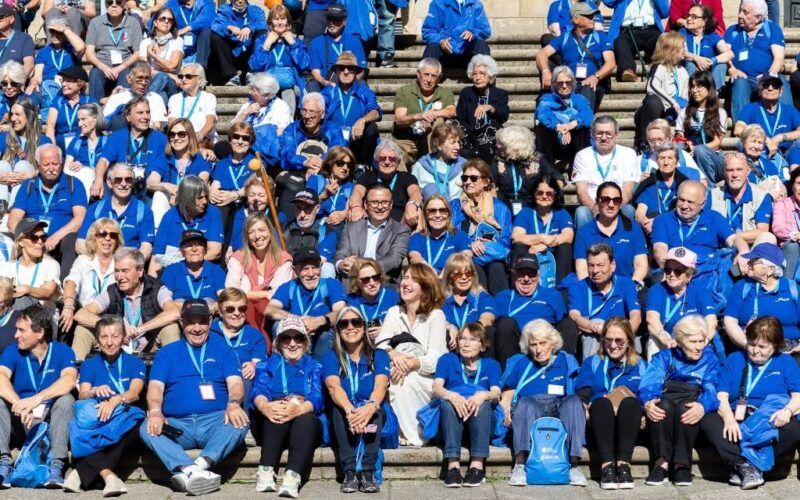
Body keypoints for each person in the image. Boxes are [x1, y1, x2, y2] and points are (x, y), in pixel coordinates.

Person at [139, 299, 249, 496]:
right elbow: (155, 387)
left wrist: (233, 404)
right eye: (191, 322)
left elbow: (235, 383)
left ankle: (196, 467)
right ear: (182, 323)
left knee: (240, 421)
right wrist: (155, 411)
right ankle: (190, 469)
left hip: (215, 422)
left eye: (202, 322)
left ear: (210, 322)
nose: (197, 328)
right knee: (146, 427)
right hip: (178, 425)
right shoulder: (167, 353)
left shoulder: (224, 350)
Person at [700, 316, 800, 490]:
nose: (755, 351)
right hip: (737, 418)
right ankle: (743, 465)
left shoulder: (786, 362)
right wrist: (728, 418)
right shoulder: (735, 359)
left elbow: (798, 396)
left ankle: (749, 467)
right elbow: (721, 395)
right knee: (709, 420)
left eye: (762, 347)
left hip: (769, 419)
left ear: (775, 345)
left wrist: (787, 411)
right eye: (752, 344)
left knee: (793, 430)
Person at [65, 315, 145, 495]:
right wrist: (94, 391)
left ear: (123, 337)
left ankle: (80, 473)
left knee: (117, 431)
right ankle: (109, 476)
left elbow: (134, 393)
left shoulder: (135, 362)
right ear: (97, 339)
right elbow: (83, 394)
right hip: (97, 414)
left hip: (125, 412)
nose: (109, 342)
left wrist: (115, 400)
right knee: (77, 428)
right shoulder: (90, 364)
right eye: (104, 337)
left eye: (115, 336)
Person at [501, 319, 586, 487]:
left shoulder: (566, 360)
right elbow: (508, 392)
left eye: (543, 343)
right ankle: (520, 464)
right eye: (533, 344)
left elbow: (577, 389)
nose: (538, 349)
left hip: (559, 407)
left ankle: (574, 464)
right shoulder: (521, 362)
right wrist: (506, 410)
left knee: (574, 402)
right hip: (530, 407)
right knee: (525, 404)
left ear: (552, 343)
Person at [0, 304, 77, 489]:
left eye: (21, 330)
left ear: (40, 332)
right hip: (21, 420)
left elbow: (69, 380)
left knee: (66, 400)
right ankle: (3, 462)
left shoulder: (62, 350)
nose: (16, 335)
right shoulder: (12, 351)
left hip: (49, 423)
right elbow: (1, 377)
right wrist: (19, 403)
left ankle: (57, 464)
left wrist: (36, 399)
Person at [639, 314, 719, 487]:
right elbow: (651, 381)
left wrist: (703, 406)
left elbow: (712, 388)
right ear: (680, 341)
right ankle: (661, 462)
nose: (699, 347)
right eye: (693, 342)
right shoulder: (665, 356)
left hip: (691, 399)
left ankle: (682, 465)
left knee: (687, 408)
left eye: (701, 341)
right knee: (660, 406)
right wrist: (649, 401)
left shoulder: (709, 359)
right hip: (667, 397)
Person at [250, 316, 323, 497]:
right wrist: (265, 406)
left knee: (306, 420)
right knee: (276, 411)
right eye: (286, 338)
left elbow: (316, 397)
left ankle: (293, 476)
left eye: (297, 338)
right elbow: (259, 389)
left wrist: (298, 409)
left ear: (305, 342)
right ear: (278, 342)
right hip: (273, 423)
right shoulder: (266, 364)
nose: (292, 343)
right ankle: (266, 469)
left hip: (302, 422)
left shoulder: (314, 366)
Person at [376, 264, 447, 446]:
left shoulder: (436, 315)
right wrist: (393, 354)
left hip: (426, 376)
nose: (406, 283)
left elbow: (436, 358)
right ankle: (400, 431)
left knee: (407, 380)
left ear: (425, 286)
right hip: (396, 370)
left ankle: (416, 436)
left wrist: (410, 364)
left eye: (413, 280)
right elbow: (380, 344)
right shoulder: (394, 312)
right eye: (405, 278)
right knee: (394, 378)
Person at [72, 247, 181, 361]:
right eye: (117, 271)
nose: (119, 277)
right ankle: (74, 369)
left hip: (149, 344)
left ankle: (174, 369)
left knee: (171, 328)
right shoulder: (112, 291)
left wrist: (141, 329)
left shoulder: (156, 288)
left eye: (125, 271)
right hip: (117, 344)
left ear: (140, 271)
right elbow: (80, 315)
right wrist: (118, 328)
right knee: (82, 330)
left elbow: (174, 313)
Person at [323, 307, 388, 493]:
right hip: (346, 419)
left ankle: (368, 472)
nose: (350, 327)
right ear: (338, 330)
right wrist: (350, 411)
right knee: (336, 409)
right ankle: (350, 472)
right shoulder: (331, 356)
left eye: (356, 322)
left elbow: (380, 387)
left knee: (376, 411)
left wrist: (368, 408)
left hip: (372, 419)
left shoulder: (379, 355)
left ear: (364, 327)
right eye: (344, 324)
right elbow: (333, 387)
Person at [575, 317, 644, 490]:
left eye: (619, 340)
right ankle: (607, 467)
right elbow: (583, 392)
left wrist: (645, 412)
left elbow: (648, 393)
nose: (613, 345)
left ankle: (623, 466)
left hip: (630, 423)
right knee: (601, 403)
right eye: (608, 340)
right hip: (599, 421)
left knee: (631, 402)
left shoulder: (641, 365)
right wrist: (584, 407)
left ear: (629, 341)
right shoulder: (592, 362)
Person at [434, 322, 501, 487]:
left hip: (481, 424)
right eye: (462, 339)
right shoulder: (447, 360)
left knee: (483, 403)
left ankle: (477, 466)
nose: (466, 343)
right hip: (452, 423)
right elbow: (436, 388)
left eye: (472, 340)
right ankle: (453, 467)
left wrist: (483, 395)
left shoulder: (491, 364)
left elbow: (496, 394)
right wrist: (450, 395)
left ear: (482, 346)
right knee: (448, 403)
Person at [7, 144, 85, 280]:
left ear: (62, 163)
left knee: (71, 240)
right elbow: (13, 219)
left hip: (61, 239)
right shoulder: (28, 185)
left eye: (55, 164)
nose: (51, 169)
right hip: (32, 237)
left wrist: (55, 237)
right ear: (38, 164)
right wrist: (27, 238)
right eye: (46, 164)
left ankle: (65, 285)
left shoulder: (74, 184)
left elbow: (80, 219)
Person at [267, 247, 347, 359]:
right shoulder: (288, 287)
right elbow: (270, 310)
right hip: (296, 337)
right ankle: (285, 366)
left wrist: (319, 321)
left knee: (326, 334)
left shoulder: (331, 284)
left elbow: (341, 312)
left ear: (320, 268)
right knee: (277, 326)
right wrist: (296, 321)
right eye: (305, 269)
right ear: (296, 270)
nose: (311, 273)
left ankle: (322, 368)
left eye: (315, 267)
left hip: (320, 338)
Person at [651, 180, 748, 272]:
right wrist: (672, 271)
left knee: (737, 268)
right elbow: (660, 249)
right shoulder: (662, 220)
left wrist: (743, 251)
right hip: (677, 271)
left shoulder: (713, 217)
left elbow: (733, 239)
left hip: (708, 270)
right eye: (681, 200)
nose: (684, 206)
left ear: (703, 204)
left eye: (690, 202)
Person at [536, 2, 615, 112]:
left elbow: (611, 62)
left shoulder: (600, 36)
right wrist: (545, 71)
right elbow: (541, 54)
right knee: (544, 101)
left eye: (593, 16)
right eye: (588, 16)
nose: (593, 19)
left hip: (592, 84)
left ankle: (581, 121)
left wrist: (595, 77)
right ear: (576, 19)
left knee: (587, 90)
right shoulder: (565, 37)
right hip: (569, 84)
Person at [568, 243, 642, 360]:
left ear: (612, 265)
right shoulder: (579, 286)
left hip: (621, 337)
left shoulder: (626, 284)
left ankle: (631, 368)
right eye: (591, 265)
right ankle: (592, 368)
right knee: (594, 328)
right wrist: (595, 327)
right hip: (595, 337)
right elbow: (574, 315)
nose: (595, 270)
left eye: (600, 265)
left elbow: (636, 316)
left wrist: (618, 333)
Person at [725, 242, 800, 353]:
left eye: (754, 260)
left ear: (771, 270)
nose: (748, 263)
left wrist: (797, 349)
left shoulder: (793, 289)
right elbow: (730, 321)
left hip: (788, 348)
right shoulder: (742, 286)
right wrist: (748, 345)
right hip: (750, 346)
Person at [451, 159, 512, 294]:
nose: (468, 182)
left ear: (485, 182)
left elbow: (506, 240)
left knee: (497, 268)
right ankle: (481, 305)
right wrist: (470, 245)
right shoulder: (455, 206)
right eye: (464, 178)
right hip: (466, 257)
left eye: (473, 178)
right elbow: (451, 234)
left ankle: (503, 306)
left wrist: (487, 244)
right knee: (474, 270)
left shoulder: (500, 207)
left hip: (493, 255)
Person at [493, 254, 567, 366]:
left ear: (538, 274)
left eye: (531, 273)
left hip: (544, 346)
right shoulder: (502, 297)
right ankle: (509, 372)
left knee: (568, 324)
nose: (526, 279)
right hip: (514, 347)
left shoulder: (552, 295)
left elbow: (562, 323)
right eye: (521, 273)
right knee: (506, 324)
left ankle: (560, 368)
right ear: (513, 274)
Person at [226, 212, 293, 335]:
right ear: (246, 237)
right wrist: (265, 293)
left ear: (270, 232)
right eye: (251, 232)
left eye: (262, 230)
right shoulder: (238, 258)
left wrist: (249, 292)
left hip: (272, 312)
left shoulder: (283, 259)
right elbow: (232, 292)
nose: (257, 236)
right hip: (244, 312)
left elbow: (278, 294)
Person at [646, 247, 719, 359]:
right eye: (668, 270)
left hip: (694, 340)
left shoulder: (700, 291)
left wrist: (702, 342)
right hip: (666, 339)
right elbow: (652, 320)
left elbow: (711, 321)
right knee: (653, 341)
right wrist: (666, 339)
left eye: (678, 271)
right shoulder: (656, 290)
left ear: (689, 274)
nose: (671, 274)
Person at [724, 0, 789, 123]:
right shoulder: (732, 31)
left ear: (758, 17)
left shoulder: (772, 29)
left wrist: (767, 77)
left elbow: (779, 58)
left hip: (766, 75)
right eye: (740, 11)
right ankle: (742, 126)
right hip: (744, 78)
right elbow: (725, 53)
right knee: (740, 81)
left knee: (779, 81)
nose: (740, 15)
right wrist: (732, 69)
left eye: (745, 12)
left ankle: (786, 123)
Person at [94, 96, 168, 199]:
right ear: (128, 116)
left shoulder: (160, 139)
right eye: (140, 113)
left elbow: (160, 168)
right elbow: (104, 161)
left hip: (148, 192)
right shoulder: (117, 137)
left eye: (147, 112)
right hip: (122, 187)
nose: (146, 116)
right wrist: (98, 180)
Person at [572, 115, 639, 229]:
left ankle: (626, 239)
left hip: (618, 205)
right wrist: (596, 207)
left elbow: (627, 192)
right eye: (599, 133)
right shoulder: (582, 155)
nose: (603, 138)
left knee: (629, 209)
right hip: (593, 206)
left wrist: (612, 207)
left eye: (608, 133)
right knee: (581, 212)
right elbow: (582, 192)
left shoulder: (628, 154)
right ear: (592, 135)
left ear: (616, 135)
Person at [574, 181, 648, 285]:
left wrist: (630, 287)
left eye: (616, 200)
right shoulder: (584, 232)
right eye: (605, 200)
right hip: (595, 289)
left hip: (627, 287)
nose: (611, 205)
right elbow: (582, 270)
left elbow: (641, 265)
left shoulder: (634, 229)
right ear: (597, 201)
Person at [77, 163, 155, 260]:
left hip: (127, 265)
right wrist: (100, 261)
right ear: (110, 183)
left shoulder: (144, 211)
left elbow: (146, 249)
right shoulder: (95, 209)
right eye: (118, 180)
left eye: (128, 180)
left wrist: (127, 264)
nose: (123, 184)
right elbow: (80, 244)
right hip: (97, 261)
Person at [335, 183, 411, 281]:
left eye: (385, 202)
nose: (380, 207)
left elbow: (393, 259)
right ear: (365, 205)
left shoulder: (401, 230)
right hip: (353, 282)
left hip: (384, 281)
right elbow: (341, 253)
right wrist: (341, 264)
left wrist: (361, 266)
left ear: (391, 205)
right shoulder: (351, 227)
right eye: (374, 202)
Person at [391, 58, 456, 167]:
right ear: (418, 74)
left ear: (439, 77)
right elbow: (399, 120)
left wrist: (431, 116)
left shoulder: (445, 93)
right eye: (426, 74)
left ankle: (435, 166)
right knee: (392, 153)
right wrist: (419, 116)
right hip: (408, 141)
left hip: (432, 141)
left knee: (439, 121)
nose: (429, 80)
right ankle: (403, 178)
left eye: (433, 76)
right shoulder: (405, 91)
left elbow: (452, 111)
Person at [61, 218, 121, 335]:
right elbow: (71, 282)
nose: (107, 238)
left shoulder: (121, 264)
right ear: (94, 238)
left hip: (112, 319)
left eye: (113, 235)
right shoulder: (83, 261)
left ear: (117, 241)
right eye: (102, 234)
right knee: (73, 324)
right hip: (85, 318)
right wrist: (68, 306)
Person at [511, 172, 575, 282]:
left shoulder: (562, 213)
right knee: (519, 247)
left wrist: (545, 245)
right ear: (534, 193)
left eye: (549, 193)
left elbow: (568, 236)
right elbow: (516, 237)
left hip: (553, 257)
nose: (544, 196)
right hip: (531, 255)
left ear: (555, 195)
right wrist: (542, 238)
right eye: (540, 193)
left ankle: (561, 288)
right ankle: (520, 284)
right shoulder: (525, 212)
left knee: (565, 247)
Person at [147, 119, 212, 226]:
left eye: (181, 134)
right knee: (159, 195)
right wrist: (167, 186)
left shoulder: (200, 160)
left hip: (192, 205)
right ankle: (157, 232)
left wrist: (180, 195)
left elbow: (201, 184)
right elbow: (150, 182)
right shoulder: (164, 158)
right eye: (172, 135)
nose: (176, 138)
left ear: (190, 136)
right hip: (169, 202)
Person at [151, 175, 224, 272]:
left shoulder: (212, 213)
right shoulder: (170, 216)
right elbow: (156, 257)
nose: (205, 201)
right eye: (200, 198)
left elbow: (215, 252)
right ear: (187, 198)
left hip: (203, 271)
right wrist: (152, 280)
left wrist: (185, 260)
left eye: (206, 197)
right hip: (173, 273)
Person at [632, 32, 689, 153]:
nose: (685, 50)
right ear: (672, 49)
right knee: (652, 101)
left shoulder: (682, 71)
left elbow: (685, 95)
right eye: (682, 47)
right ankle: (643, 143)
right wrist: (673, 103)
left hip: (674, 113)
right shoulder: (659, 67)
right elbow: (652, 86)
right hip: (657, 111)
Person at [319, 52, 380, 166]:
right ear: (336, 71)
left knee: (371, 128)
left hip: (356, 139)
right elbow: (318, 106)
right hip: (333, 140)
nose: (346, 72)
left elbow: (376, 112)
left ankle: (362, 166)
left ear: (356, 72)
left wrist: (362, 120)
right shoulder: (329, 92)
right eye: (341, 68)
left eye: (350, 68)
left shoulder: (363, 91)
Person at [248, 6, 309, 118]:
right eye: (276, 19)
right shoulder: (261, 40)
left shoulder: (296, 42)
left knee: (289, 94)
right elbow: (255, 66)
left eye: (283, 19)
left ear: (288, 23)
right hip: (267, 86)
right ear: (270, 23)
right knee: (268, 97)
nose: (280, 22)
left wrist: (293, 44)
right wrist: (266, 45)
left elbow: (304, 64)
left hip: (290, 85)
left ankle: (288, 122)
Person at [347, 140, 423, 227]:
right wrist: (356, 207)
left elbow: (415, 193)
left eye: (392, 159)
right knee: (351, 208)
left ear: (398, 162)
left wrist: (411, 204)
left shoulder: (407, 177)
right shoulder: (367, 176)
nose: (387, 162)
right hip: (370, 224)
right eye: (382, 158)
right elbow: (357, 192)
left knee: (417, 211)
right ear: (376, 161)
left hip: (400, 225)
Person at [534, 65, 592, 175]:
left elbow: (587, 114)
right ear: (554, 84)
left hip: (573, 144)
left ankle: (578, 170)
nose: (564, 86)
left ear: (573, 83)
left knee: (583, 127)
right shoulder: (546, 99)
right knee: (542, 127)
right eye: (560, 83)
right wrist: (559, 126)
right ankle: (549, 172)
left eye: (568, 82)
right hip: (554, 142)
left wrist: (571, 125)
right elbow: (543, 113)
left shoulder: (579, 99)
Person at [734, 75, 800, 168]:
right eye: (766, 85)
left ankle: (794, 173)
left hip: (785, 154)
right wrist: (764, 139)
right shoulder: (750, 108)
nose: (770, 88)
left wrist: (781, 137)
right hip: (759, 152)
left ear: (780, 92)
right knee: (741, 143)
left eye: (775, 86)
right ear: (759, 91)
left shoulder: (789, 110)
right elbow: (738, 129)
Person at [85, 0, 144, 102]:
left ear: (124, 4)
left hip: (124, 66)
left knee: (127, 74)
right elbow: (89, 52)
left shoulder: (133, 23)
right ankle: (95, 108)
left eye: (118, 2)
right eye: (109, 2)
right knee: (95, 73)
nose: (114, 5)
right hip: (102, 65)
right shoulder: (95, 22)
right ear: (105, 5)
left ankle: (122, 108)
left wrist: (119, 68)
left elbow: (137, 53)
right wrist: (103, 67)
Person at [210, 287, 266, 394]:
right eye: (230, 309)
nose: (237, 313)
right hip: (215, 378)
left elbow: (260, 363)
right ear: (220, 312)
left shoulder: (255, 336)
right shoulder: (210, 333)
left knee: (247, 378)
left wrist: (254, 365)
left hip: (243, 381)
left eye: (242, 309)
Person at [0, 218, 61, 317]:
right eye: (34, 238)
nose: (40, 242)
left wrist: (28, 289)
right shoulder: (7, 268)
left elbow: (48, 292)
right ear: (21, 241)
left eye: (43, 237)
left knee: (22, 300)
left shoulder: (51, 264)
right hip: (15, 317)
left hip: (43, 318)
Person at [454, 55, 509, 162]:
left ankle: (480, 155)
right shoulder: (466, 93)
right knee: (454, 123)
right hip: (470, 133)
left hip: (489, 134)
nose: (477, 77)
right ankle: (468, 154)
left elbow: (504, 115)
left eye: (482, 74)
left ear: (491, 77)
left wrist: (491, 108)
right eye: (474, 74)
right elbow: (460, 116)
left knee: (494, 125)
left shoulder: (500, 94)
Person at [709, 152, 772, 246]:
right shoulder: (712, 195)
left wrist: (730, 236)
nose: (735, 175)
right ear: (724, 172)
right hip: (718, 248)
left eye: (739, 169)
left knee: (768, 238)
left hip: (750, 248)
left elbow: (762, 232)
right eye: (730, 170)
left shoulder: (761, 196)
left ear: (748, 171)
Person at [675, 70, 728, 182]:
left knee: (701, 150)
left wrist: (696, 150)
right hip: (691, 156)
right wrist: (686, 144)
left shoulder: (720, 112)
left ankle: (708, 187)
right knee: (677, 148)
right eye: (692, 87)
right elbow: (679, 137)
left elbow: (717, 142)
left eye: (699, 86)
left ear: (709, 88)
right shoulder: (684, 112)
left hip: (714, 160)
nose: (694, 90)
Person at [279, 92, 347, 174]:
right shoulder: (292, 129)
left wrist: (317, 164)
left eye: (312, 112)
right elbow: (286, 156)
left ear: (322, 114)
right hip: (297, 174)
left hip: (324, 173)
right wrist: (305, 162)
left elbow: (337, 152)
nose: (307, 116)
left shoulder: (332, 130)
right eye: (304, 111)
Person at [306, 4, 367, 94]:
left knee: (362, 85)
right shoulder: (316, 42)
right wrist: (325, 83)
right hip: (325, 84)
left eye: (336, 19)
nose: (331, 23)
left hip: (349, 83)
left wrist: (348, 83)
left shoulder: (354, 41)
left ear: (344, 21)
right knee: (312, 85)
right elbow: (315, 71)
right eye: (329, 19)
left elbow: (361, 71)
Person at [633, 143, 692, 235]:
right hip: (653, 232)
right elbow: (639, 215)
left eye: (670, 158)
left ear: (676, 162)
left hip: (679, 230)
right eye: (662, 158)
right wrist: (649, 224)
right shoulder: (649, 184)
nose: (666, 162)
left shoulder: (686, 185)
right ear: (657, 161)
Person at [440, 253, 495, 349]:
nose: (464, 277)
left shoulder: (481, 296)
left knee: (489, 330)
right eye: (458, 274)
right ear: (449, 277)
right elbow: (433, 317)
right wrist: (449, 327)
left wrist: (468, 333)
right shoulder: (441, 298)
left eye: (468, 273)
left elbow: (488, 317)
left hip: (475, 346)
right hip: (450, 346)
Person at [606, 0, 669, 82]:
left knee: (662, 40)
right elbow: (608, 2)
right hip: (628, 30)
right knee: (620, 41)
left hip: (650, 29)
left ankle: (659, 69)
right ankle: (628, 70)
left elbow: (665, 13)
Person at [161, 230, 226, 308]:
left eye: (199, 245)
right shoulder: (171, 270)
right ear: (181, 251)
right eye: (189, 245)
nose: (194, 249)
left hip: (209, 313)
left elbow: (224, 299)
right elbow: (166, 300)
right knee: (179, 301)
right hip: (180, 313)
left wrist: (209, 308)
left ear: (205, 250)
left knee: (208, 300)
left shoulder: (216, 271)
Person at [408, 194, 472, 275]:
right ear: (426, 215)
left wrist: (446, 272)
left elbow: (467, 255)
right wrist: (432, 274)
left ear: (448, 214)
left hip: (451, 278)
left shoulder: (459, 235)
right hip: (425, 278)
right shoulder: (417, 237)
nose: (438, 215)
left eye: (442, 211)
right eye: (432, 211)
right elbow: (415, 257)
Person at [208, 0, 266, 86]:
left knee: (262, 32)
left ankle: (251, 73)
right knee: (215, 37)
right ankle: (232, 76)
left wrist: (250, 28)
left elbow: (262, 23)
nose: (240, 0)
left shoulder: (256, 10)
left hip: (249, 53)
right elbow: (216, 26)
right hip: (232, 53)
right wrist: (228, 28)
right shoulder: (224, 10)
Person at [282, 190, 338, 278]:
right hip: (291, 274)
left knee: (327, 268)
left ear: (317, 209)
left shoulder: (325, 230)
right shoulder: (285, 229)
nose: (302, 215)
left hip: (314, 274)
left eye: (307, 208)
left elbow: (320, 260)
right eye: (298, 208)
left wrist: (301, 272)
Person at [421, 0, 491, 67]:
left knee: (481, 44)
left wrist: (473, 32)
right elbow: (428, 31)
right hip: (445, 54)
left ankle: (483, 74)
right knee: (432, 46)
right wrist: (440, 40)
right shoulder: (438, 3)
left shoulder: (475, 4)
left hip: (467, 55)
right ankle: (427, 73)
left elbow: (485, 30)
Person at [101, 62, 168, 131]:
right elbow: (104, 123)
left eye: (147, 79)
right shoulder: (117, 98)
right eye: (139, 78)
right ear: (129, 78)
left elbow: (157, 126)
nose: (143, 83)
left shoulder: (155, 98)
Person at [678, 4, 731, 90]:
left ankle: (714, 92)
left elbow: (729, 54)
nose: (689, 19)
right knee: (690, 64)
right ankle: (691, 91)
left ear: (704, 21)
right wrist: (696, 58)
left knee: (721, 65)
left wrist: (712, 61)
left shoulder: (711, 35)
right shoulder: (682, 33)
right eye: (688, 15)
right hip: (688, 72)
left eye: (694, 17)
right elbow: (677, 50)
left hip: (707, 73)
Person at [490, 126, 540, 215]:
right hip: (505, 206)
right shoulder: (497, 161)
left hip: (531, 206)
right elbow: (491, 185)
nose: (497, 146)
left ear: (514, 145)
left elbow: (553, 175)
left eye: (501, 143)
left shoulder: (536, 160)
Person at [344, 258, 398, 341]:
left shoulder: (393, 297)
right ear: (356, 282)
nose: (372, 283)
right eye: (366, 279)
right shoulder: (350, 301)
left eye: (376, 277)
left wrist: (386, 331)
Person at [43, 66, 95, 151]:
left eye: (68, 81)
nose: (63, 84)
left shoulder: (89, 101)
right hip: (61, 147)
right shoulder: (58, 101)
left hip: (83, 146)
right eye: (63, 80)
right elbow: (50, 126)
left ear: (79, 84)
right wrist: (54, 150)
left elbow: (95, 126)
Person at [138, 6, 183, 103]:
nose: (166, 21)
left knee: (163, 77)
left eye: (170, 20)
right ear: (155, 22)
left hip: (173, 85)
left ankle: (141, 102)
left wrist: (151, 54)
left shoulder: (177, 41)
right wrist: (169, 74)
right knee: (162, 96)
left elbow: (172, 66)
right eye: (163, 18)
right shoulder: (145, 43)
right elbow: (143, 71)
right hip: (151, 83)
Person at [411, 123, 467, 201]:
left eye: (458, 142)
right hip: (430, 207)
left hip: (457, 207)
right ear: (439, 145)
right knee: (430, 189)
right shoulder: (421, 166)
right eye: (452, 142)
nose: (457, 147)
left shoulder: (463, 166)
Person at [30, 20, 86, 97]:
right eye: (52, 32)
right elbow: (38, 76)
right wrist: (34, 83)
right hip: (47, 86)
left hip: (68, 85)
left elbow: (80, 47)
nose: (55, 35)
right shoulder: (44, 51)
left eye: (59, 33)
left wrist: (65, 30)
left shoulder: (71, 48)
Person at [309, 145, 355, 235]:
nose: (345, 168)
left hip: (341, 232)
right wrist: (324, 195)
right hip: (316, 229)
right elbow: (305, 207)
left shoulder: (351, 187)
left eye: (349, 165)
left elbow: (358, 210)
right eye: (340, 163)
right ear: (331, 163)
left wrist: (344, 214)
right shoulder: (316, 180)